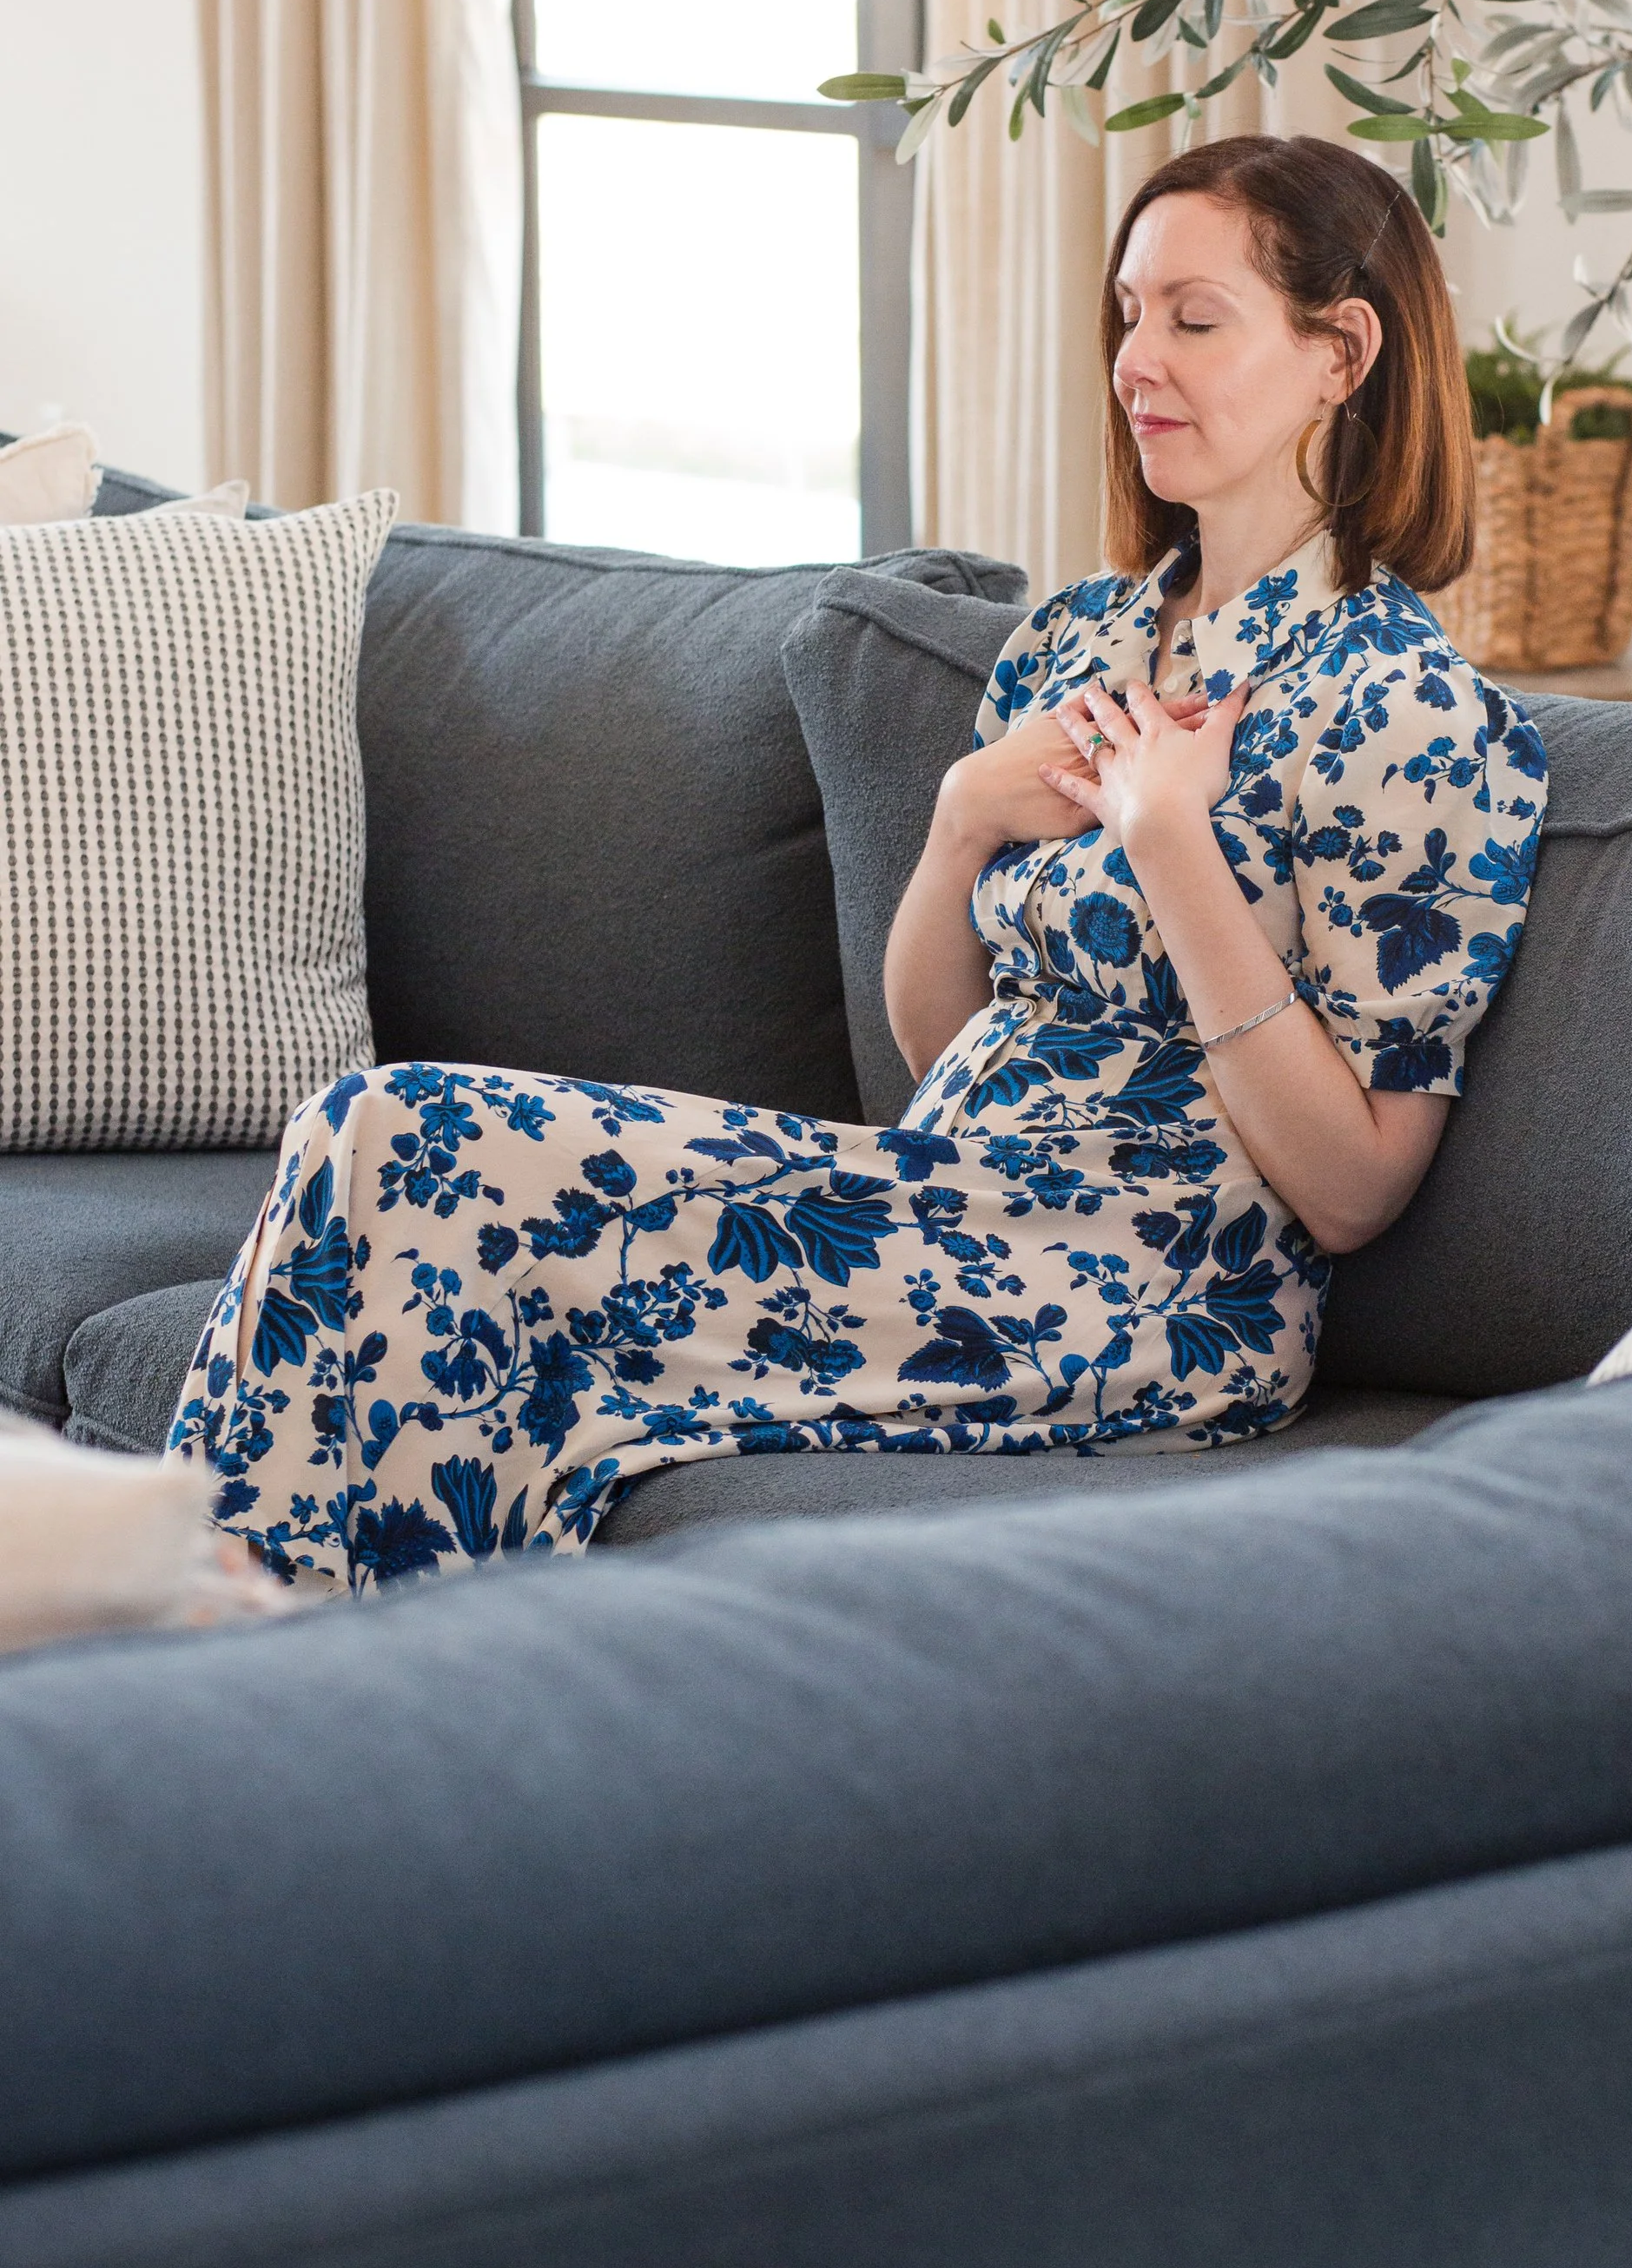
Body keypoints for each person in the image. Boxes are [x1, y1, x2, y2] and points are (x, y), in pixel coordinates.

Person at [168, 135, 1548, 1592]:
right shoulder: (1082, 639)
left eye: (1195, 320)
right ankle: (250, 1695)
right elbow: (944, 1038)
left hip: (1145, 1290)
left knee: (419, 1143)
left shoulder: (1419, 715)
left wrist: (1171, 845)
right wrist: (963, 812)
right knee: (364, 1142)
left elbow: (1354, 1187)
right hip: (948, 1190)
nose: (1140, 358)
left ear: (1342, 352)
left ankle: (210, 1721)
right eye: (1129, 314)